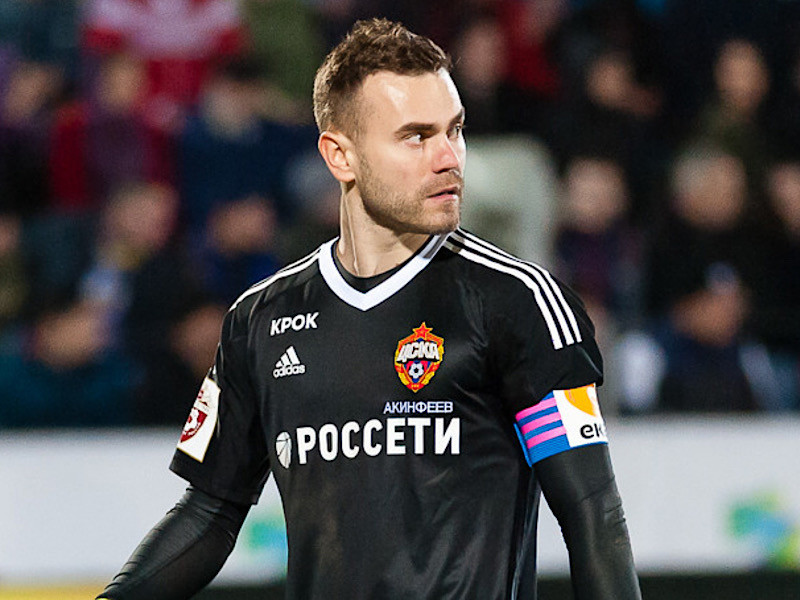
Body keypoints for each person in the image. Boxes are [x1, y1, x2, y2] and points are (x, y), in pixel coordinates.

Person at [97, 18, 641, 600]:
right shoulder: (261, 320)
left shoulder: (517, 301)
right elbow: (209, 512)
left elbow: (592, 513)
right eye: (416, 136)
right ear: (340, 156)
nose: (449, 157)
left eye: (454, 130)